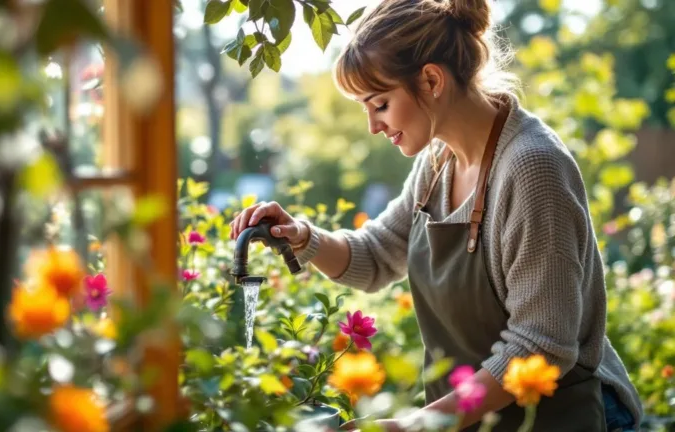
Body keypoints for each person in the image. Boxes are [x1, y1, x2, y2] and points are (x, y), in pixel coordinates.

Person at [229, 0, 642, 430]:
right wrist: (299, 236)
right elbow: (375, 256)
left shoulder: (531, 167)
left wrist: (416, 426)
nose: (373, 125)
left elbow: (542, 344)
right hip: (479, 419)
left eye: (380, 104)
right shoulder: (439, 161)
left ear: (430, 80)